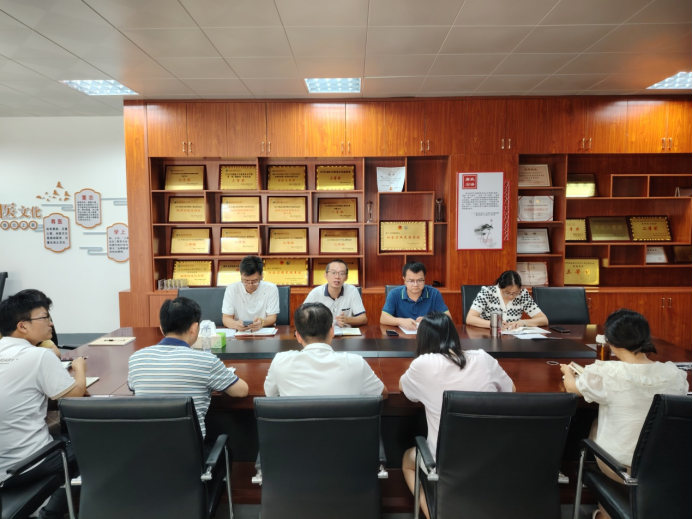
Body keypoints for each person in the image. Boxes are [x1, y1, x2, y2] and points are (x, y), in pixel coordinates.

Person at [560, 309, 688, 519]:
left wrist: (567, 372)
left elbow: (572, 388)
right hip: (668, 468)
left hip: (622, 469)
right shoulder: (675, 374)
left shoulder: (607, 372)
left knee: (596, 425)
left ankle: (605, 513)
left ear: (610, 342)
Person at [399, 312, 514, 518]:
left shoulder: (423, 364)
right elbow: (511, 391)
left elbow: (404, 388)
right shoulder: (483, 358)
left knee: (408, 460)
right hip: (491, 457)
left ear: (421, 339)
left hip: (444, 462)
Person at [0, 289, 86, 519]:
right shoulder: (38, 356)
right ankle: (51, 513)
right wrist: (79, 368)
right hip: (22, 466)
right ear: (22, 326)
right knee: (90, 445)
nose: (51, 323)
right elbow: (75, 395)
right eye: (45, 317)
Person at [129, 297, 249, 439]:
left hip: (146, 448)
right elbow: (241, 391)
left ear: (161, 328)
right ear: (194, 328)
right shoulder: (205, 361)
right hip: (189, 450)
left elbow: (133, 386)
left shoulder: (136, 359)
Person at [264, 303, 386, 398]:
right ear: (332, 331)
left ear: (298, 336)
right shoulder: (356, 362)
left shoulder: (280, 361)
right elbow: (382, 394)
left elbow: (270, 395)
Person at [466, 270, 548, 331]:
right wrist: (494, 324)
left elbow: (543, 319)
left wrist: (522, 323)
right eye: (507, 293)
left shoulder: (522, 294)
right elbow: (470, 318)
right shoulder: (488, 292)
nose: (511, 296)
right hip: (488, 335)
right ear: (500, 287)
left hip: (513, 338)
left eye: (515, 293)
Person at [380, 262, 450, 331]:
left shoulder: (434, 293)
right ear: (404, 280)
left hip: (427, 335)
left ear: (424, 279)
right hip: (401, 336)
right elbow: (383, 318)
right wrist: (401, 321)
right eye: (411, 281)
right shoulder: (394, 294)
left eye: (420, 280)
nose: (415, 285)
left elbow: (448, 318)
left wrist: (428, 320)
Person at [222, 255, 279, 332]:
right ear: (240, 275)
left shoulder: (271, 288)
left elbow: (272, 318)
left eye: (254, 281)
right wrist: (236, 325)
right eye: (246, 281)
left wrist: (261, 322)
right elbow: (226, 318)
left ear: (261, 276)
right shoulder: (232, 289)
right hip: (239, 333)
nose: (250, 285)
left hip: (263, 331)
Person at [303, 259, 367, 327]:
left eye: (341, 273)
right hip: (322, 332)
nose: (337, 277)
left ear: (346, 277)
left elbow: (363, 319)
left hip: (345, 332)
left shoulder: (352, 291)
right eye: (333, 273)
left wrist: (347, 320)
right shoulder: (315, 293)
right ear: (326, 275)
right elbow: (302, 316)